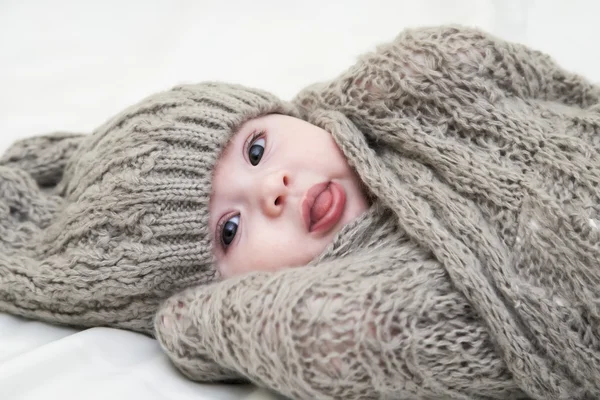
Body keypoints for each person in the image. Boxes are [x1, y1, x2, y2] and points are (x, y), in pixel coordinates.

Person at [1, 25, 599, 399]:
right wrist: (195, 328)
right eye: (229, 230)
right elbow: (332, 332)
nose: (275, 190)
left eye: (256, 148)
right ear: (226, 291)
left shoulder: (395, 97)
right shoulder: (377, 287)